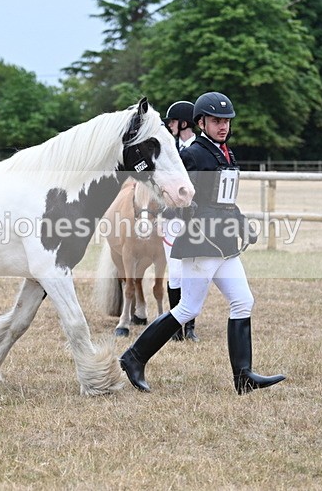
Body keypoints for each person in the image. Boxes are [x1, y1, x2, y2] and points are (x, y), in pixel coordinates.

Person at [120, 92, 285, 394]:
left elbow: (223, 200)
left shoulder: (226, 153)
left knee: (243, 301)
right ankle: (133, 357)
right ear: (201, 122)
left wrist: (242, 222)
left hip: (224, 242)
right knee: (188, 308)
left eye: (226, 121)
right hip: (201, 240)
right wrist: (181, 212)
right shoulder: (194, 154)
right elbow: (172, 194)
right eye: (216, 121)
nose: (223, 126)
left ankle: (244, 376)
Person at [162, 100, 198, 342]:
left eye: (173, 121)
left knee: (192, 272)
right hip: (171, 219)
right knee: (174, 272)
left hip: (194, 220)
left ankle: (191, 326)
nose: (170, 126)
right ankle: (175, 327)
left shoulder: (201, 149)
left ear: (184, 122)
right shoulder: (168, 150)